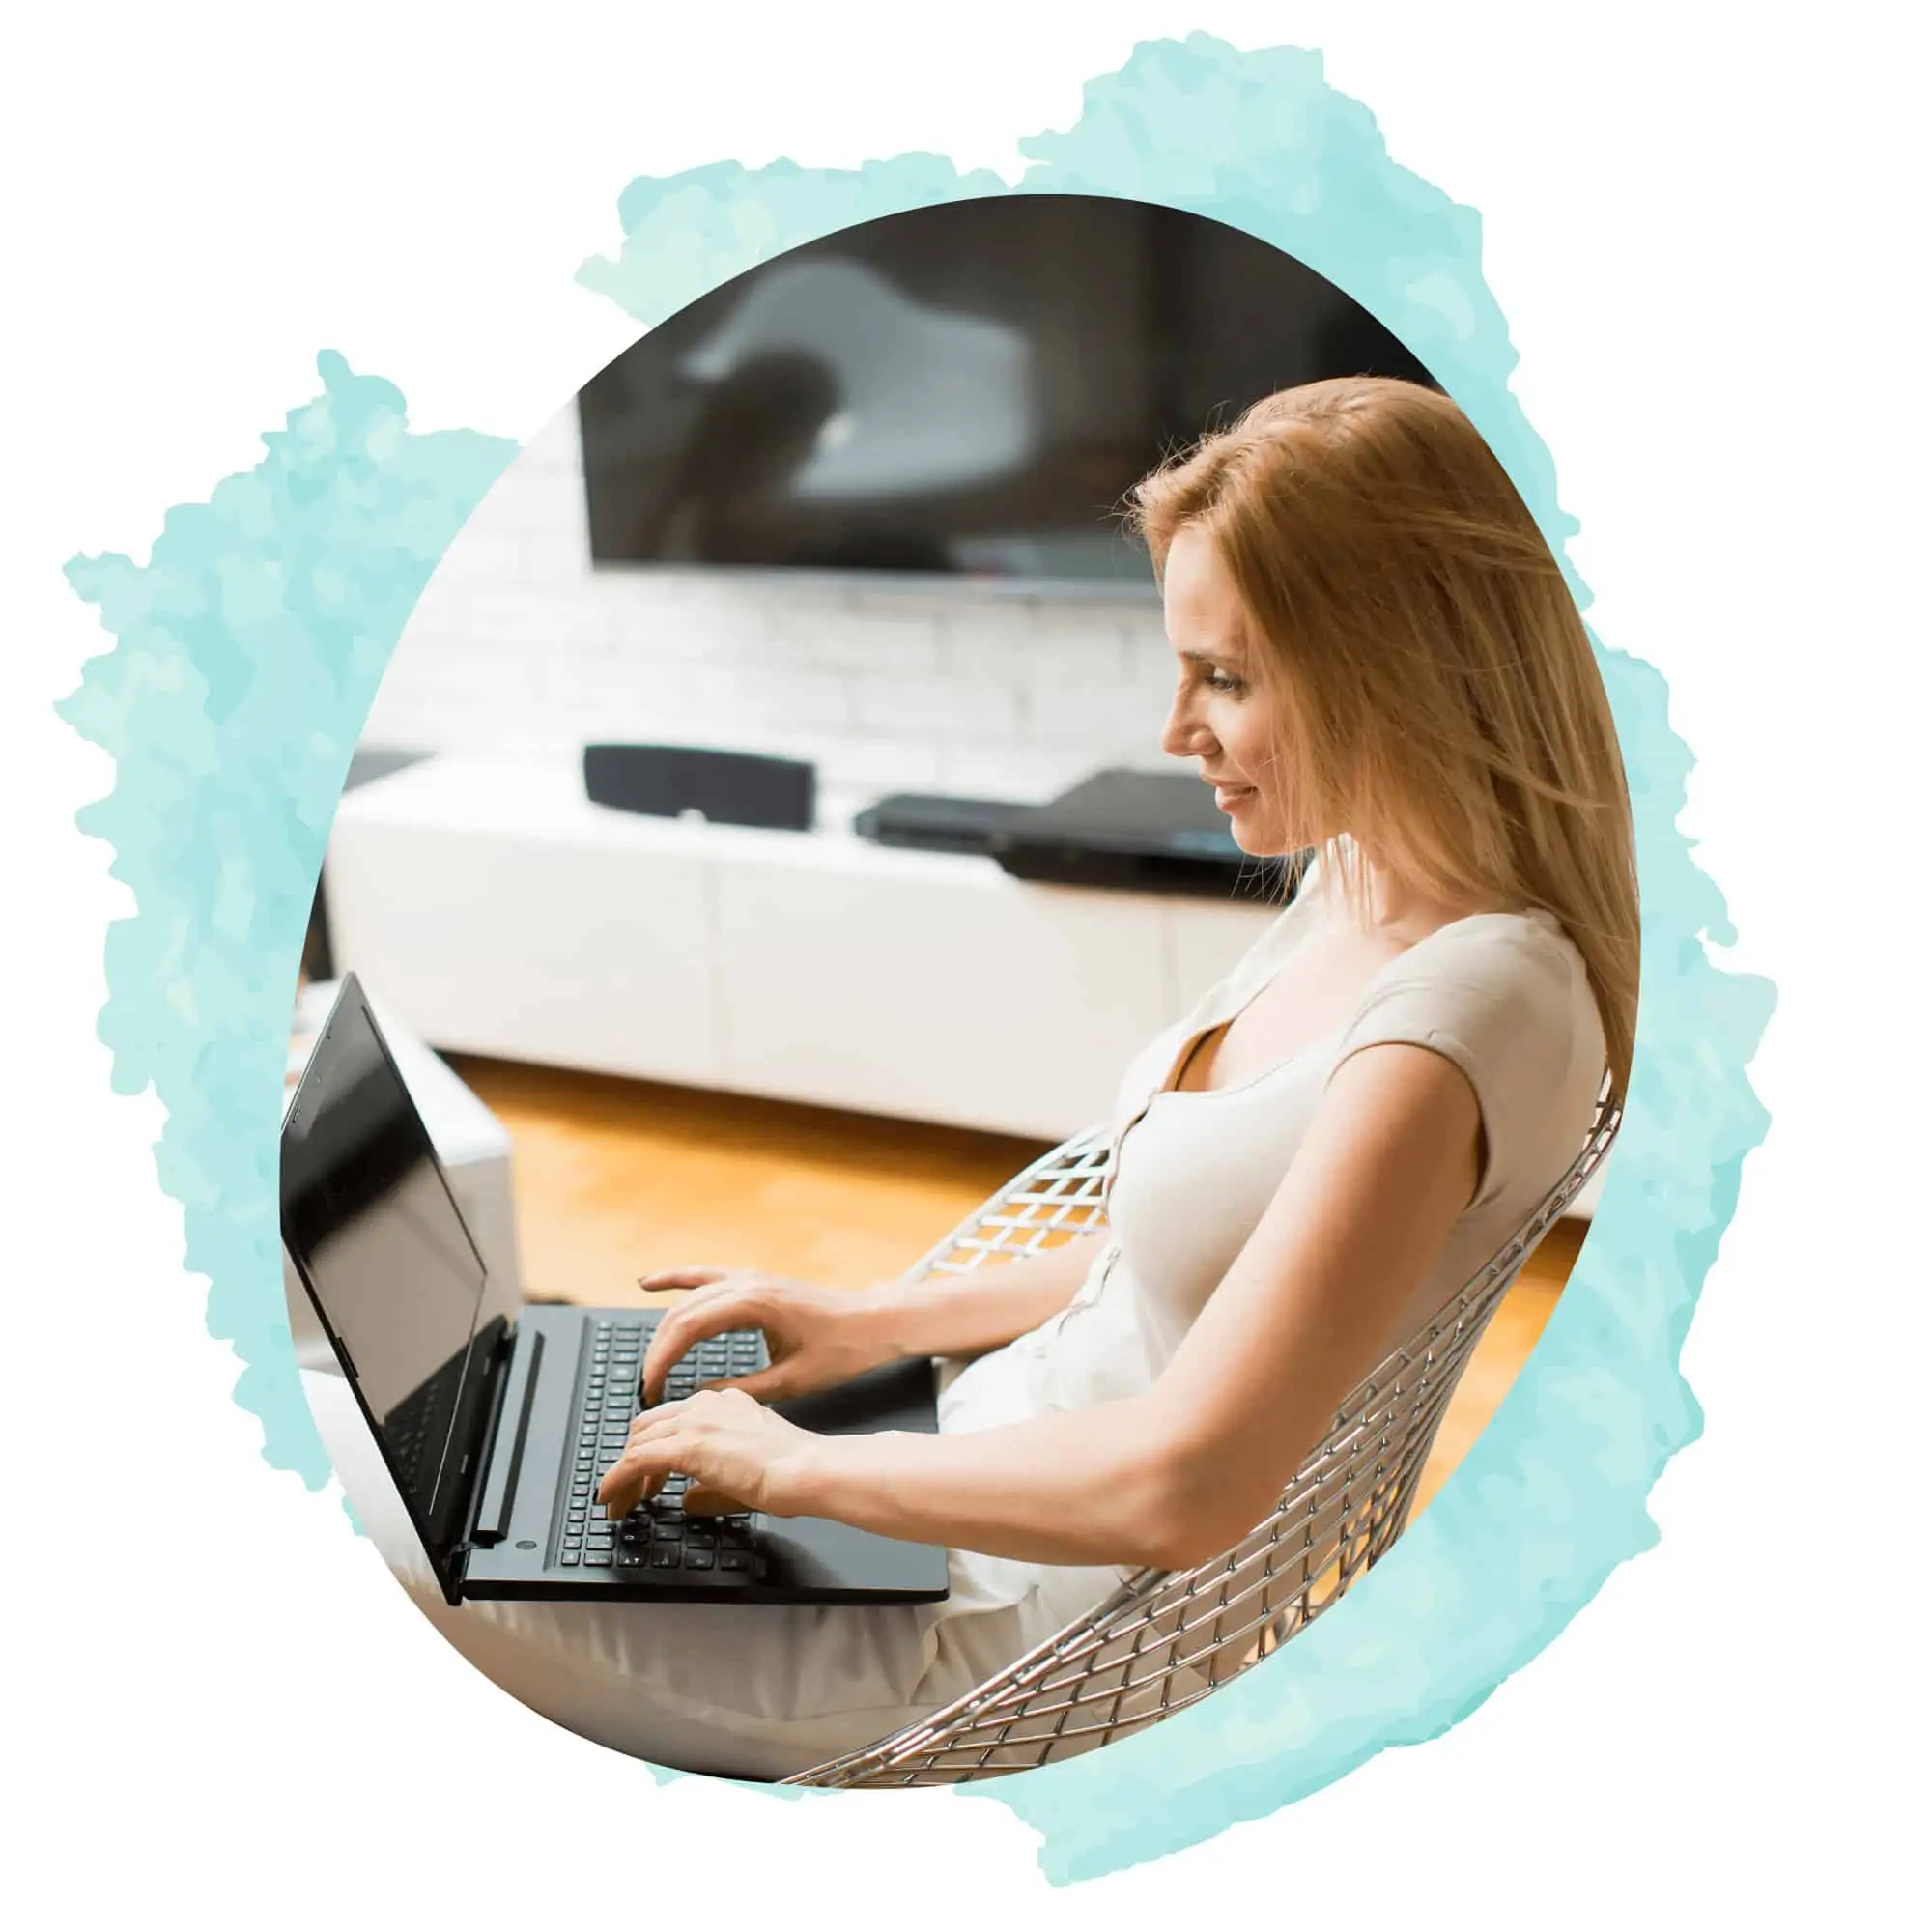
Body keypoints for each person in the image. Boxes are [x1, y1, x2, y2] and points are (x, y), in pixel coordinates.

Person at [306, 374, 1638, 1780]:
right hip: (956, 1474)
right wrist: (874, 1321)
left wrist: (797, 1471)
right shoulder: (1367, 882)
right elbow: (1184, 1266)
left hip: (1000, 1630)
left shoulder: (1466, 1010)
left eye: (1228, 677)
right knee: (417, 1431)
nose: (1176, 728)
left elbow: (1187, 1483)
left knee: (351, 1484)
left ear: (1401, 665)